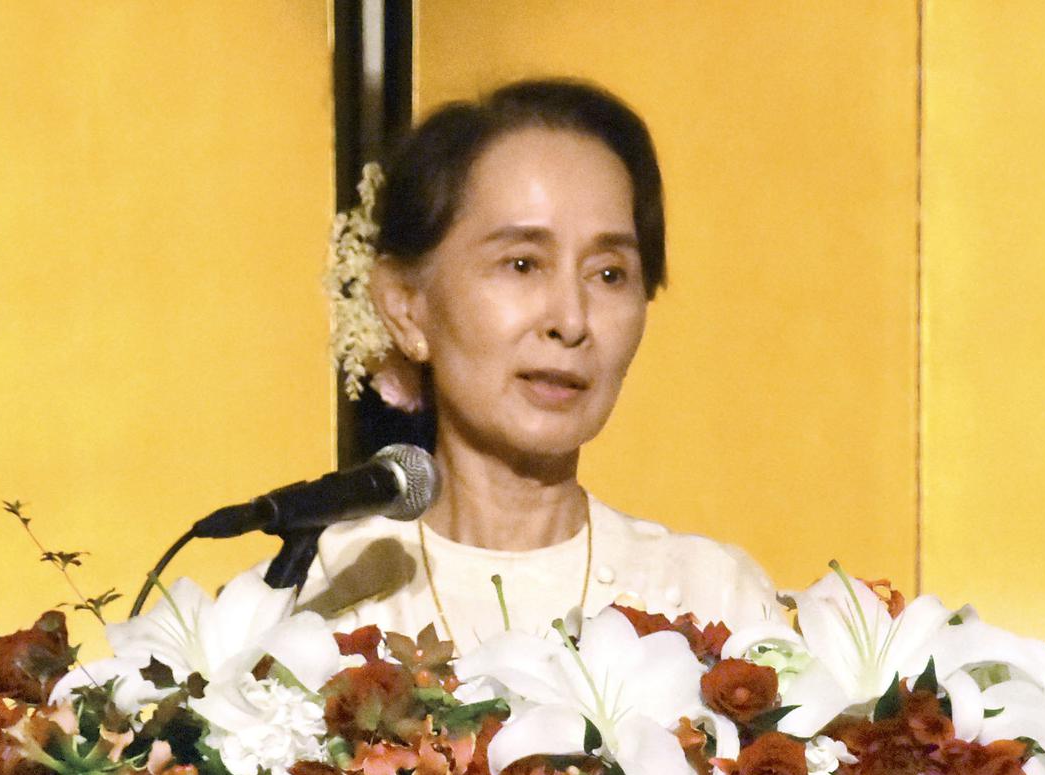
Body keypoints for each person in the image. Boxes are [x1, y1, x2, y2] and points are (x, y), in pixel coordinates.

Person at [296, 79, 777, 651]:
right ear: (406, 307)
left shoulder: (718, 606)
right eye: (522, 264)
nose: (571, 320)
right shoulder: (315, 608)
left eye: (609, 274)